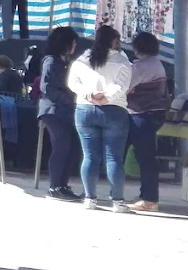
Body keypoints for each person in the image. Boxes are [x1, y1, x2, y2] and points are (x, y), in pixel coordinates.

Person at [69, 25, 133, 212]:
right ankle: (118, 202)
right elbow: (122, 86)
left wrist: (89, 95)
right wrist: (106, 98)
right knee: (113, 158)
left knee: (89, 156)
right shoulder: (123, 61)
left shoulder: (82, 59)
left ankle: (90, 198)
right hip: (114, 111)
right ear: (114, 40)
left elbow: (73, 82)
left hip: (85, 109)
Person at [38, 27, 81, 202]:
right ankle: (54, 186)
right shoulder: (51, 61)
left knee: (71, 149)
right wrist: (68, 99)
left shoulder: (65, 62)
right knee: (61, 147)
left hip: (64, 111)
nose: (75, 46)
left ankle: (62, 185)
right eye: (73, 42)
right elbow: (46, 87)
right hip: (53, 110)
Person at [126, 32, 168, 212]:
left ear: (137, 48)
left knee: (145, 158)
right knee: (146, 157)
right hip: (155, 113)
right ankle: (147, 195)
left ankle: (150, 199)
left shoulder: (140, 67)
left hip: (142, 113)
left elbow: (125, 87)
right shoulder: (157, 64)